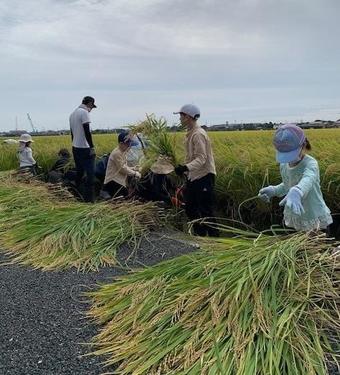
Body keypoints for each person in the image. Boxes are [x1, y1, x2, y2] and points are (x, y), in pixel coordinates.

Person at [258, 123, 332, 232]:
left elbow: (308, 179)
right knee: (300, 248)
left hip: (313, 216)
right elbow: (288, 184)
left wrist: (297, 191)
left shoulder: (310, 164)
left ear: (303, 145)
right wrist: (274, 190)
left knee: (318, 247)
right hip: (296, 217)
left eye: (292, 154)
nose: (289, 159)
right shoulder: (284, 164)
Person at [173, 104, 219, 237]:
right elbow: (191, 157)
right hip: (194, 176)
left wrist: (185, 168)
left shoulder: (198, 134)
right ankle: (201, 235)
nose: (180, 118)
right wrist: (185, 170)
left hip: (204, 176)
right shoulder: (190, 133)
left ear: (188, 116)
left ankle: (215, 240)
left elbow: (201, 158)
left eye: (181, 116)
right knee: (190, 208)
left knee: (206, 210)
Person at [69, 96, 97, 202]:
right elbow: (87, 131)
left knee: (80, 172)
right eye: (92, 107)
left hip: (75, 148)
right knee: (90, 175)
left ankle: (77, 195)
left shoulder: (72, 114)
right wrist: (92, 147)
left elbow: (72, 134)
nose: (91, 110)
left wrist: (74, 145)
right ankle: (89, 200)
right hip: (85, 148)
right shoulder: (84, 112)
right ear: (89, 104)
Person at [100, 131, 141, 199]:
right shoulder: (117, 153)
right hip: (113, 181)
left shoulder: (123, 152)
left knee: (127, 196)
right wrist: (135, 173)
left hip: (119, 180)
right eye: (128, 145)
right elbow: (122, 169)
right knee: (122, 199)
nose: (130, 147)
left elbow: (124, 166)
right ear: (121, 144)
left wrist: (133, 168)